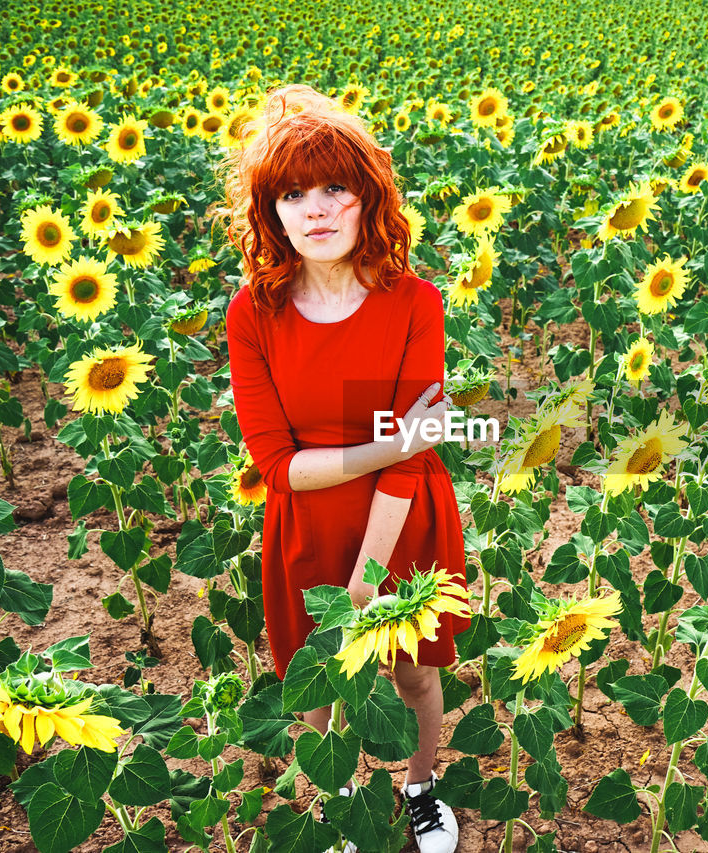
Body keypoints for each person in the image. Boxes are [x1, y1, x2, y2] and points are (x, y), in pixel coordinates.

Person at [221, 84, 468, 853]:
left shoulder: (412, 303)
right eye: (293, 192)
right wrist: (392, 442)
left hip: (402, 522)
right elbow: (277, 466)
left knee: (413, 675)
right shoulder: (252, 313)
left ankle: (421, 784)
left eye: (335, 187)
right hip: (306, 529)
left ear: (368, 199)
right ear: (272, 212)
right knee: (318, 691)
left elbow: (411, 460)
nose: (317, 208)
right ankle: (339, 799)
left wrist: (367, 575)